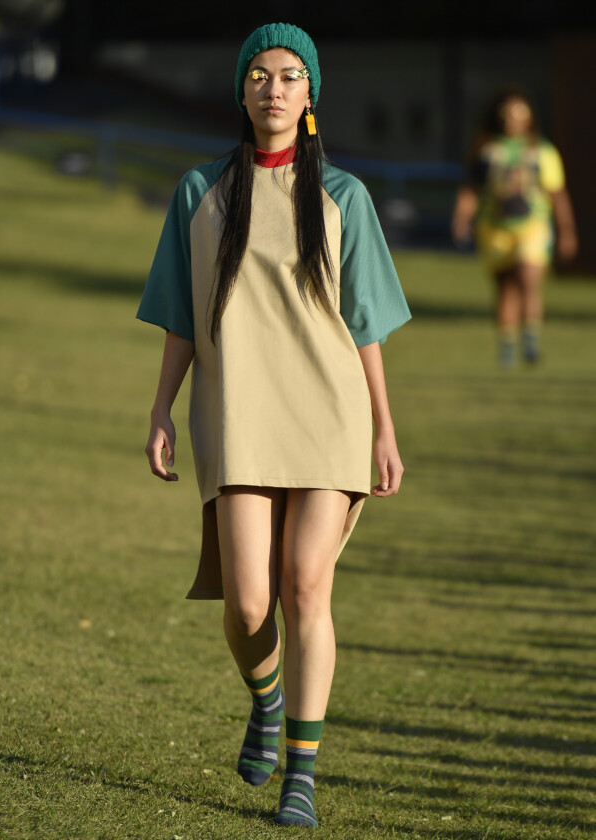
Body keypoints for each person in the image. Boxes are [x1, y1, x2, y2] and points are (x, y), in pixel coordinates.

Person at [137, 23, 410, 828]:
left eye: (290, 75)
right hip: (237, 414)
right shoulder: (200, 191)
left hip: (330, 413)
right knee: (250, 604)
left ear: (311, 92)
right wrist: (161, 407)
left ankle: (302, 774)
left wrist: (384, 428)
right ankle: (266, 699)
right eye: (259, 74)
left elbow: (365, 323)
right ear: (241, 90)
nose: (274, 88)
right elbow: (180, 314)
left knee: (305, 585)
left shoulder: (346, 196)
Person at [452, 86, 578, 366]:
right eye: (508, 114)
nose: (513, 120)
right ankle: (507, 346)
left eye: (520, 113)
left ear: (530, 117)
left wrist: (567, 230)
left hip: (532, 227)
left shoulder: (541, 151)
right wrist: (461, 218)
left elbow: (557, 193)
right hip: (495, 230)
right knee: (506, 289)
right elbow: (471, 189)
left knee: (528, 280)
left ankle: (531, 339)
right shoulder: (486, 151)